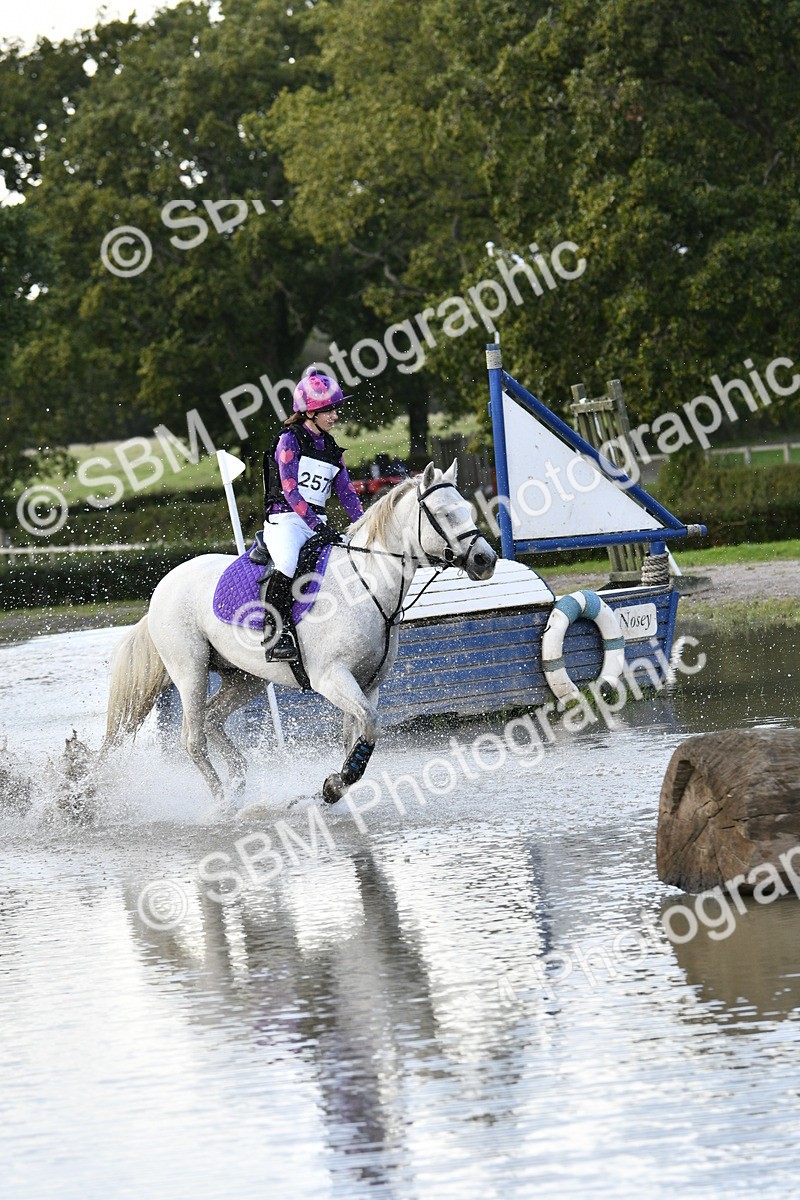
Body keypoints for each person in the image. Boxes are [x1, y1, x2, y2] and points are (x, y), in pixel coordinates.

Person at [256, 369, 364, 661]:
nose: (334, 416)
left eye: (334, 409)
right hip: (286, 521)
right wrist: (318, 526)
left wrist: (363, 525)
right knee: (288, 564)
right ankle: (274, 633)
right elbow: (291, 491)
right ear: (309, 412)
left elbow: (346, 493)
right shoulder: (289, 441)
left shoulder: (331, 447)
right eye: (328, 410)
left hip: (316, 523)